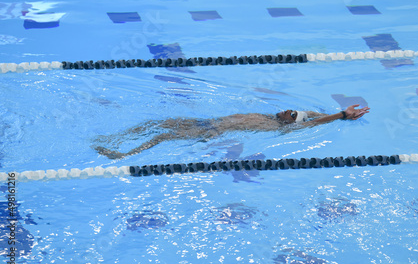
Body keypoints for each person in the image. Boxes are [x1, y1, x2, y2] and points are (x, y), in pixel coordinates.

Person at [93, 104, 370, 159]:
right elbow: (312, 116)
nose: (288, 111)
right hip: (205, 121)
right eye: (291, 109)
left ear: (291, 123)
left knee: (162, 136)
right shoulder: (267, 116)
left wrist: (341, 116)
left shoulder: (280, 129)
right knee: (161, 122)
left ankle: (122, 154)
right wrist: (325, 113)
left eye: (292, 114)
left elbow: (314, 122)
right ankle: (113, 139)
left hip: (210, 132)